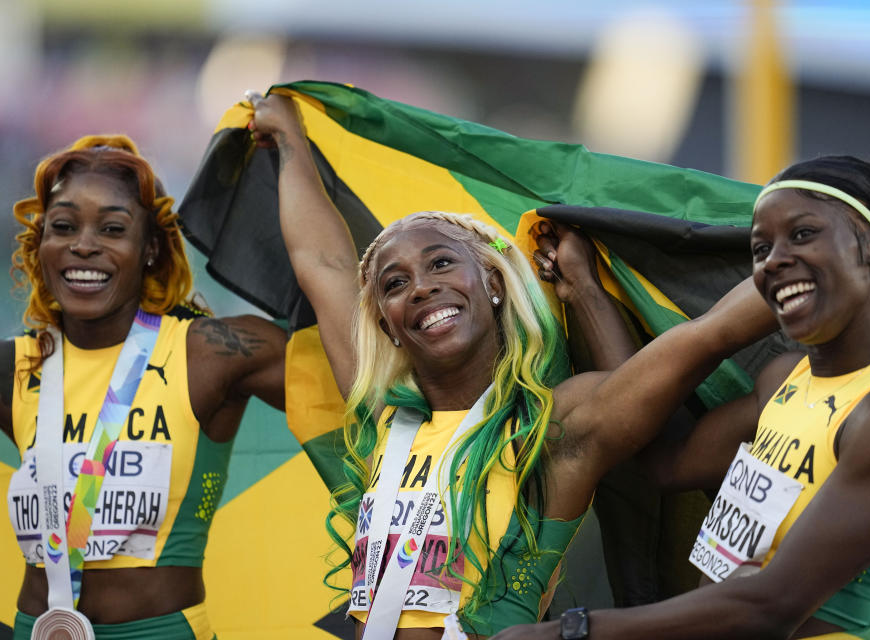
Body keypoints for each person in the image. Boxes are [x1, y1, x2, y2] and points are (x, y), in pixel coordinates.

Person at [247, 92, 778, 639]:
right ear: (386, 324)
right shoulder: (385, 418)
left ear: (493, 284)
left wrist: (587, 291)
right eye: (395, 284)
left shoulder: (552, 428)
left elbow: (707, 335)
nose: (423, 287)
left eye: (442, 263)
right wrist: (288, 137)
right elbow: (323, 263)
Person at [492, 156, 870, 640]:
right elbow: (661, 459)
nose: (774, 260)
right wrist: (588, 290)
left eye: (802, 235)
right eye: (760, 248)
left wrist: (569, 632)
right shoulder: (786, 379)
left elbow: (773, 606)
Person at [0, 135, 286, 639]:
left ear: (150, 248)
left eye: (112, 229)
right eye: (62, 227)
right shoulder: (12, 366)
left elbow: (364, 379)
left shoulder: (211, 354)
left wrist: (297, 162)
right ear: (40, 242)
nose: (83, 245)